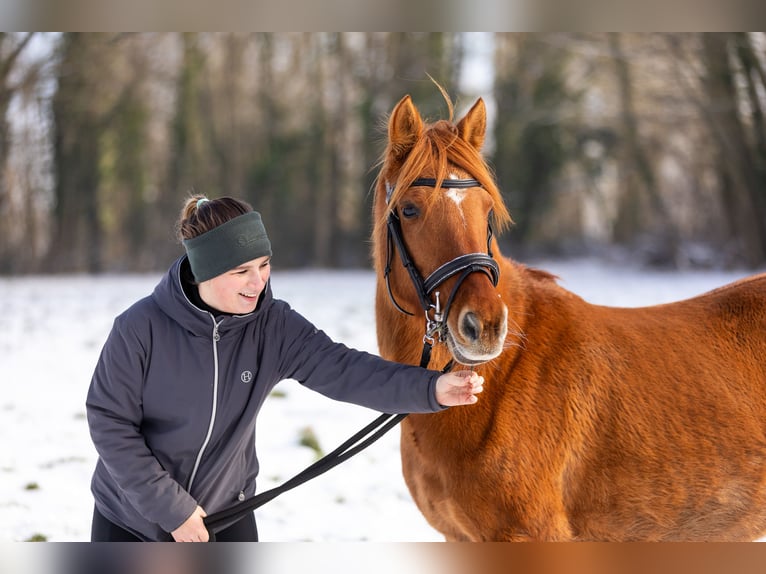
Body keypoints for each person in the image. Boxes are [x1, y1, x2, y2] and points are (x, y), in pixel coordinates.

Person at [86, 195, 484, 543]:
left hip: (223, 517)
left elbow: (345, 369)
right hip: (131, 520)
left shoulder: (272, 327)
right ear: (203, 270)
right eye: (240, 271)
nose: (257, 282)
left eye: (263, 264)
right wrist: (173, 510)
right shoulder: (140, 329)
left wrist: (431, 389)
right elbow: (110, 423)